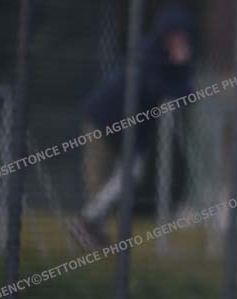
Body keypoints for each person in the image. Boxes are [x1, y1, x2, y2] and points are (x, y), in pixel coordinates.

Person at [71, 4, 195, 249]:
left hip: (131, 131)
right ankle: (87, 227)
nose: (180, 41)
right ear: (165, 35)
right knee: (100, 179)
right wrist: (179, 67)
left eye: (183, 36)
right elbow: (159, 90)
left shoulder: (175, 61)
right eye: (175, 35)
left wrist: (181, 66)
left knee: (128, 175)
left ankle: (88, 225)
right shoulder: (150, 55)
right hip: (105, 120)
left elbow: (185, 93)